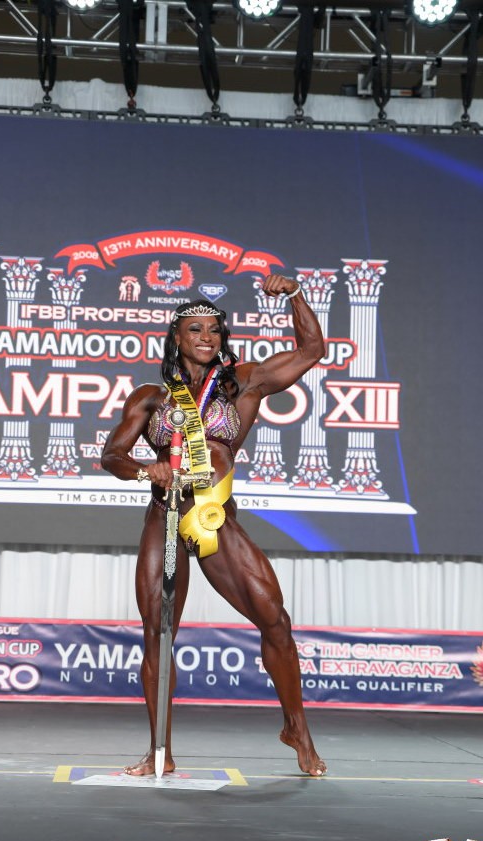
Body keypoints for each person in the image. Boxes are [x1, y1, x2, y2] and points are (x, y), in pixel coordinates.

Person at [101, 273, 327, 777]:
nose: (207, 337)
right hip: (166, 517)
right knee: (158, 632)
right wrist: (145, 469)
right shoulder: (150, 398)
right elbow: (112, 455)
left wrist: (294, 296)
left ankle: (297, 730)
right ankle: (160, 751)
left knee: (275, 619)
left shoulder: (242, 384)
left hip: (214, 517)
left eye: (214, 330)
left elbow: (312, 350)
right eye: (195, 329)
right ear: (176, 338)